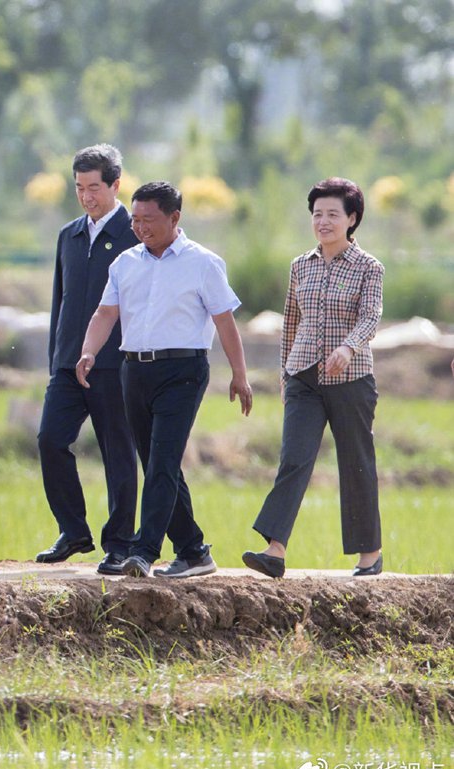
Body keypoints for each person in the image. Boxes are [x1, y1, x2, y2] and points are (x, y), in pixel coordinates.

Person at [77, 181, 253, 578]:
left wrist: (239, 374)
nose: (140, 227)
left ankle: (143, 551)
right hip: (134, 370)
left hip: (183, 372)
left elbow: (225, 321)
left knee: (162, 463)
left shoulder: (203, 262)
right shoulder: (125, 263)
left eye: (149, 220)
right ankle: (193, 550)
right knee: (159, 464)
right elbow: (106, 314)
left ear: (175, 218)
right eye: (135, 219)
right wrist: (89, 351)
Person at [243, 177, 383, 579]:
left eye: (332, 214)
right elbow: (291, 323)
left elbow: (371, 317)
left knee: (356, 463)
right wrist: (285, 374)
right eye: (317, 214)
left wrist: (348, 347)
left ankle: (369, 555)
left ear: (351, 219)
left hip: (352, 378)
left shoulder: (368, 267)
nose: (323, 221)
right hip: (303, 377)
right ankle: (275, 550)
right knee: (294, 459)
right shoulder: (300, 265)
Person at [34, 144, 139, 575]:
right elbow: (61, 301)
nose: (86, 196)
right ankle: (73, 529)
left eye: (94, 187)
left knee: (118, 452)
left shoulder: (136, 234)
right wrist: (58, 355)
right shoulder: (69, 235)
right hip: (67, 364)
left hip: (115, 365)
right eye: (79, 188)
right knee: (50, 439)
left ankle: (119, 543)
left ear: (116, 185)